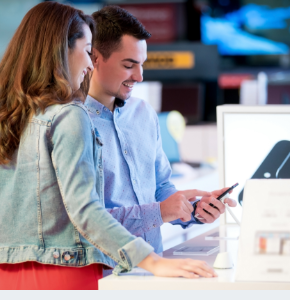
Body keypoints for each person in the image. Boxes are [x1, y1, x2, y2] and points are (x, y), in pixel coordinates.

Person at [0, 2, 217, 290]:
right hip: (75, 274)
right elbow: (85, 212)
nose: (88, 64)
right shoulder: (71, 115)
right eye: (87, 51)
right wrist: (153, 260)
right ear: (63, 51)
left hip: (8, 280)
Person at [86, 4, 237, 257]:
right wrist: (161, 211)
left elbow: (160, 186)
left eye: (142, 65)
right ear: (94, 58)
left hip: (152, 266)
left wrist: (193, 209)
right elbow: (86, 220)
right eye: (129, 65)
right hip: (102, 274)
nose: (139, 76)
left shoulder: (143, 113)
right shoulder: (70, 121)